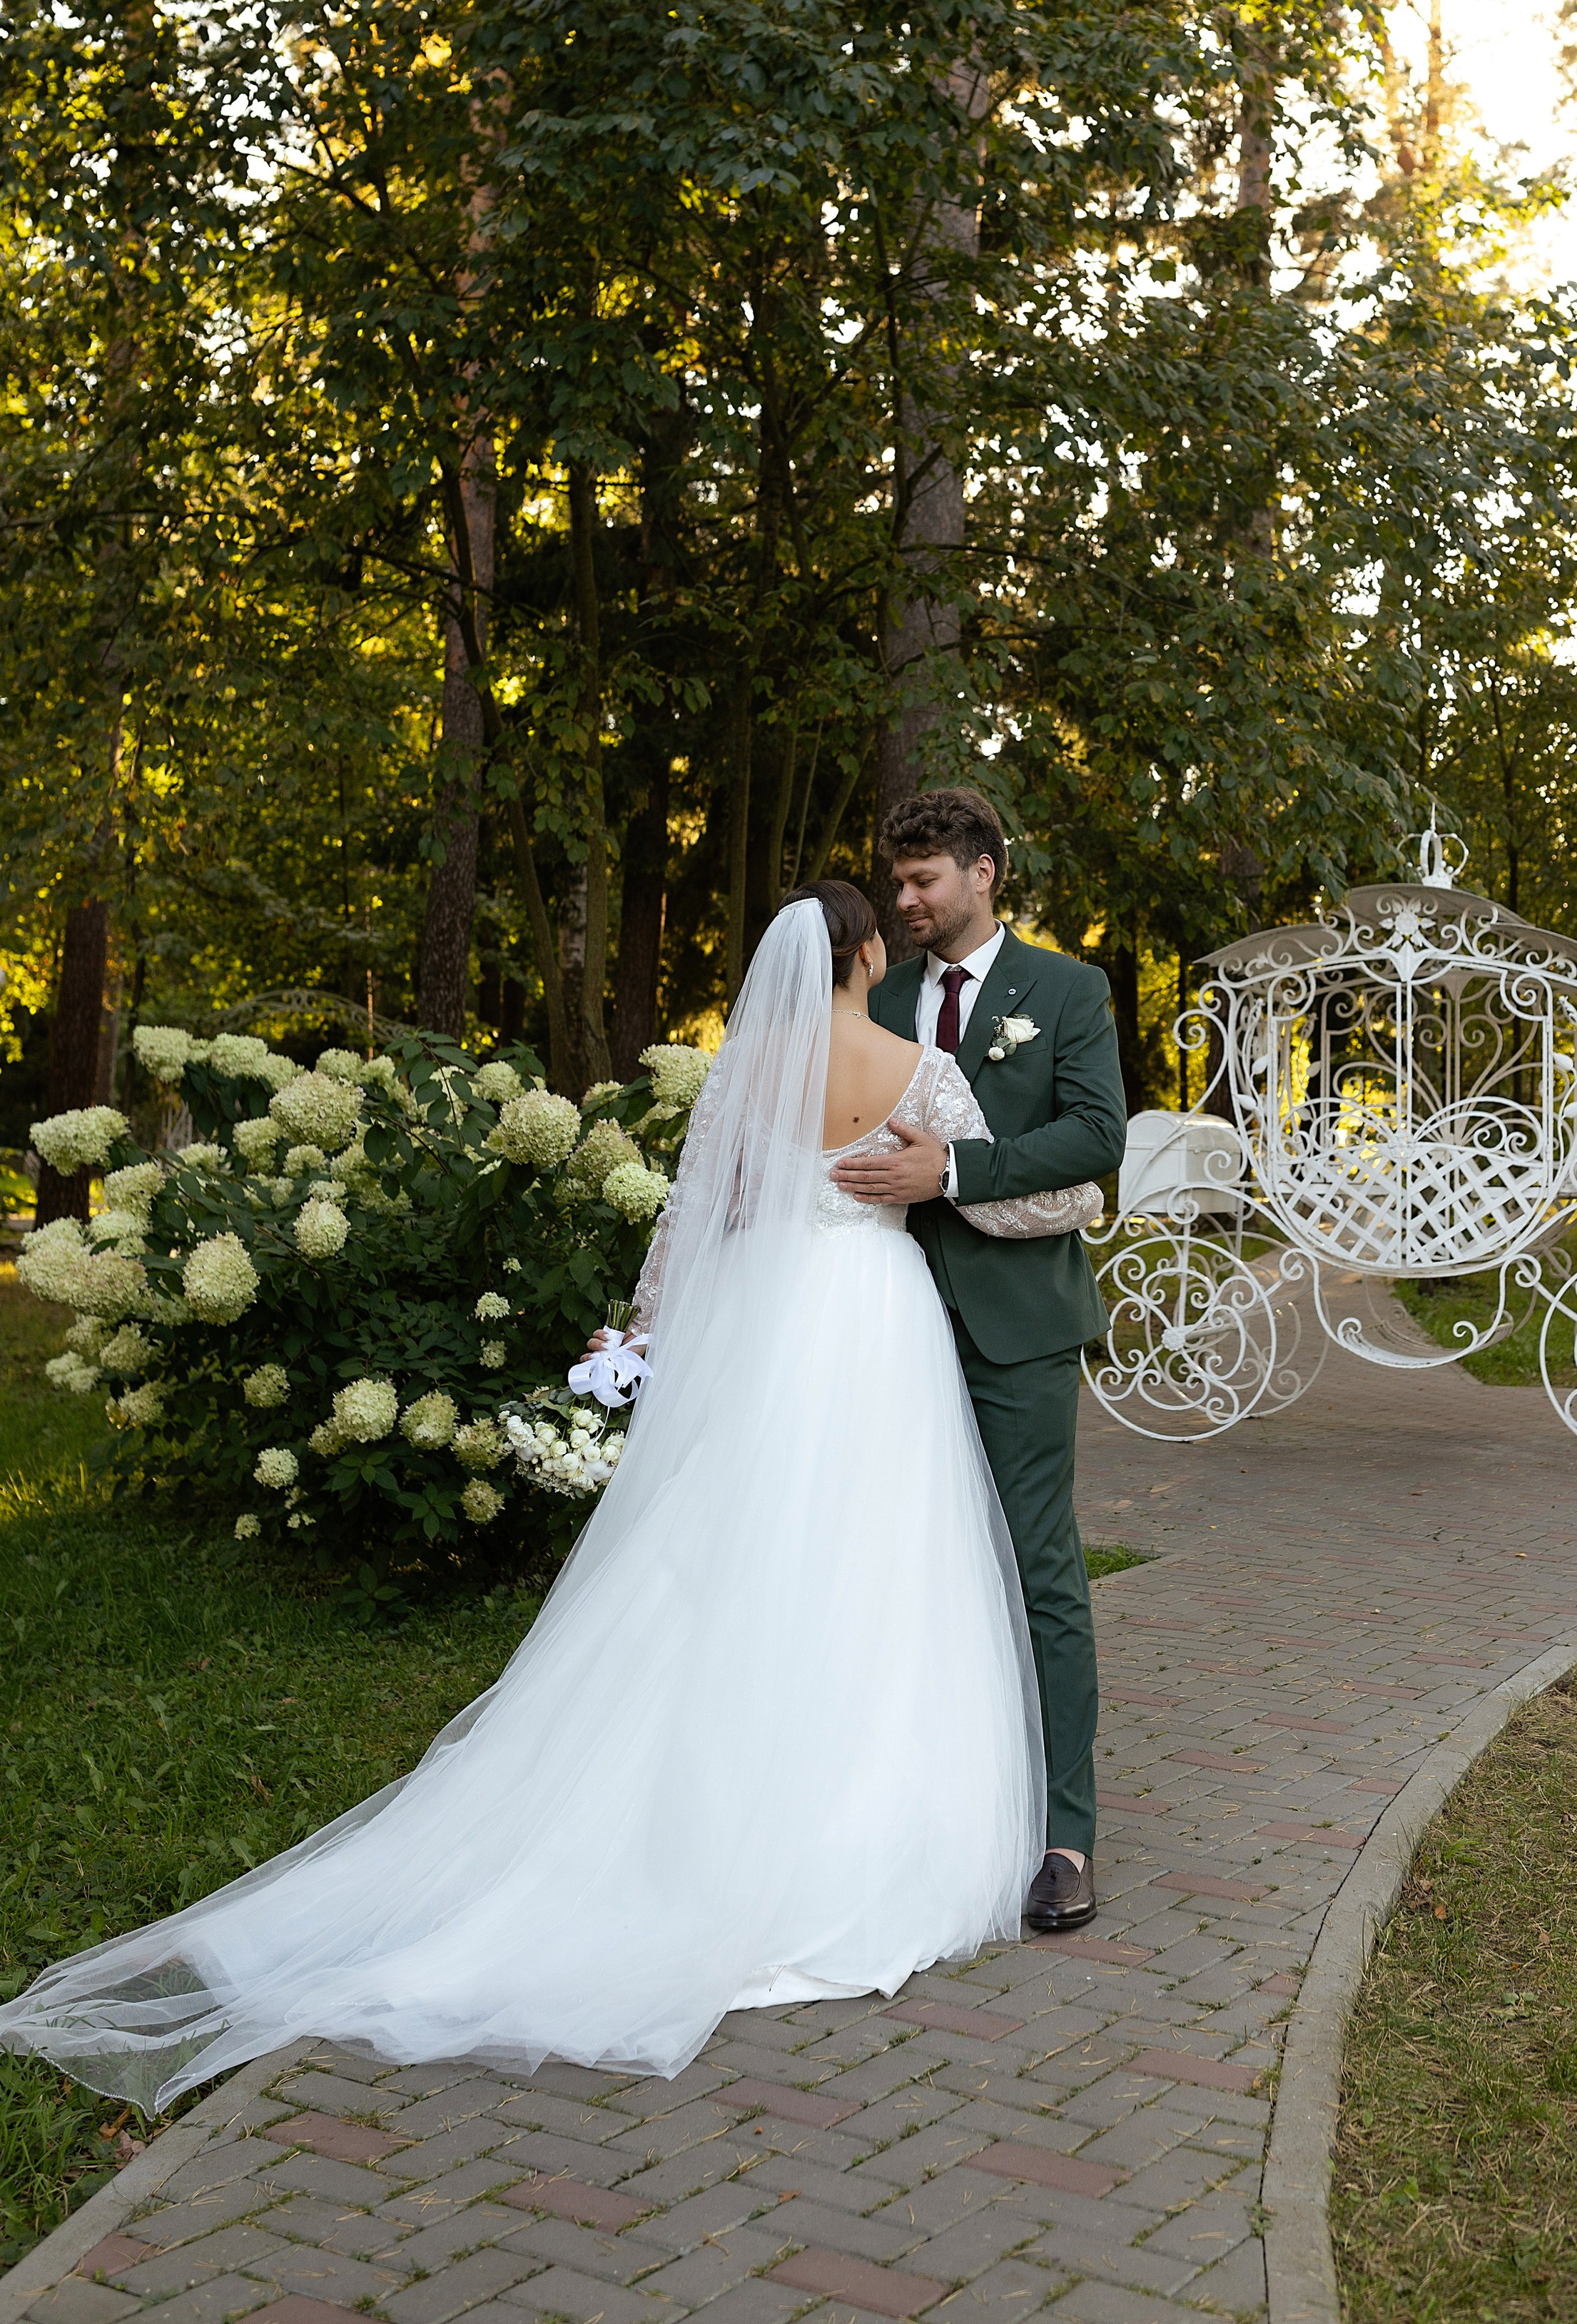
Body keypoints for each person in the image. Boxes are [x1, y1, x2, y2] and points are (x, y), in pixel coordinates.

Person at [0, 886, 1095, 2111]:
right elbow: (996, 1193)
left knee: (726, 1559)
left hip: (772, 1324)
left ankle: (695, 1801)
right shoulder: (922, 1068)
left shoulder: (748, 1071)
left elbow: (694, 1217)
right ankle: (856, 1820)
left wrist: (639, 1338)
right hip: (878, 1327)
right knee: (881, 1562)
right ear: (872, 956)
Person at [833, 789, 1127, 1934]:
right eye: (897, 885)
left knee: (1040, 1571)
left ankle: (1065, 1834)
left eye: (925, 883)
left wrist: (949, 1173)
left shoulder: (1067, 991)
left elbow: (1095, 1135)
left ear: (985, 873)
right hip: (888, 1323)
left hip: (1020, 1325)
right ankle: (927, 1807)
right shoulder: (878, 995)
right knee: (906, 1567)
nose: (906, 902)